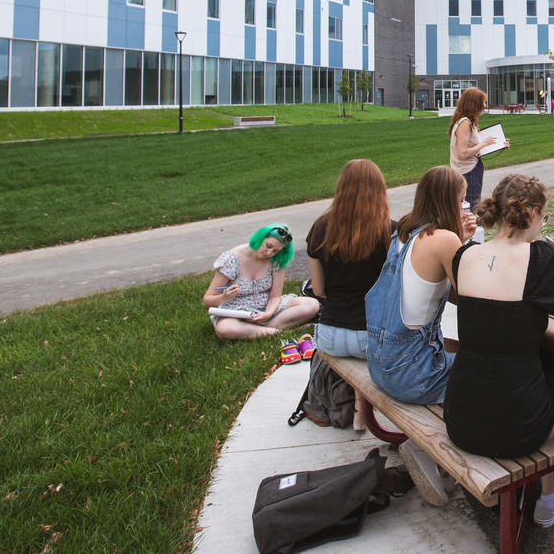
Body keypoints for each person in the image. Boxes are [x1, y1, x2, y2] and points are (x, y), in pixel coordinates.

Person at [444, 175, 554, 526]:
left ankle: (546, 498)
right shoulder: (541, 257)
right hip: (516, 425)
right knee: (552, 371)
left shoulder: (465, 254)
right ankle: (549, 501)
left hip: (460, 415)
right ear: (532, 212)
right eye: (543, 217)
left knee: (530, 367)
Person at [366, 166, 477, 407]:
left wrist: (460, 238)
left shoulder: (404, 230)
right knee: (492, 375)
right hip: (415, 374)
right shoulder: (445, 239)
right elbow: (471, 293)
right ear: (448, 202)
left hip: (379, 363)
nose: (464, 206)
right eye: (461, 200)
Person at [307, 158, 395, 428]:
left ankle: (356, 408)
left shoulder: (320, 228)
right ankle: (361, 410)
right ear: (379, 189)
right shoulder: (389, 231)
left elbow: (318, 289)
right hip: (371, 337)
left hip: (330, 335)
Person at [203, 223, 320, 340]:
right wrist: (224, 298)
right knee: (224, 329)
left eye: (275, 251)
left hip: (267, 308)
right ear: (260, 238)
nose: (269, 253)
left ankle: (257, 330)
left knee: (312, 305)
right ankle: (280, 331)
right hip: (236, 312)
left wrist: (268, 313)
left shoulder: (277, 259)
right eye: (268, 246)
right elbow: (207, 300)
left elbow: (275, 296)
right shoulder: (232, 258)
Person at [449, 87, 508, 205]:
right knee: (470, 207)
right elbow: (462, 153)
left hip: (470, 170)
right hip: (468, 173)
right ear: (474, 103)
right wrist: (484, 143)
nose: (485, 105)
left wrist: (500, 143)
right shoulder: (465, 123)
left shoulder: (466, 121)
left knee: (469, 207)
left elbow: (473, 146)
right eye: (483, 102)